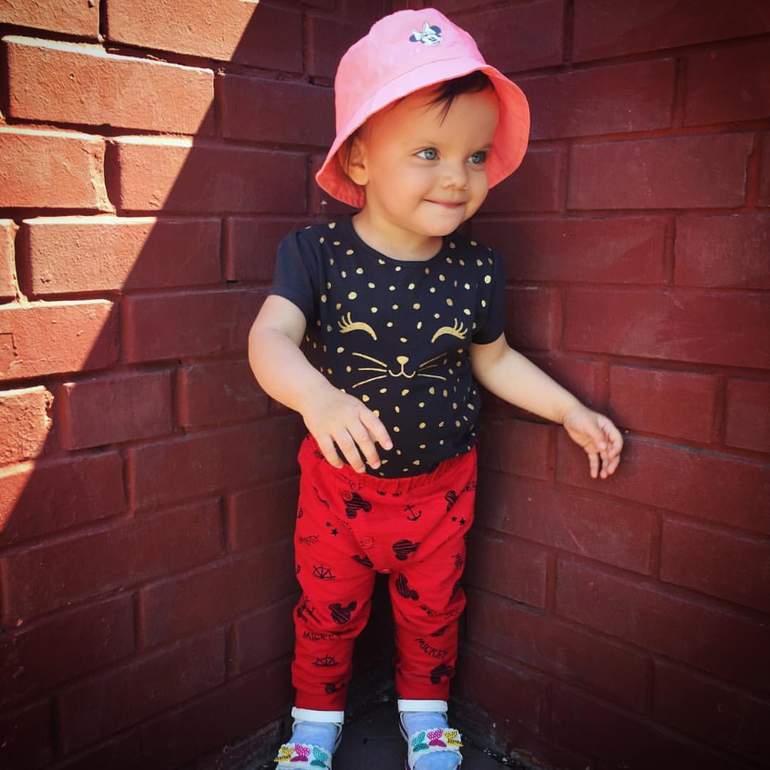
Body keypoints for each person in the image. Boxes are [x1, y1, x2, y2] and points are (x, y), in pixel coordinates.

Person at [248, 8, 623, 770]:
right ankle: (313, 725)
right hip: (340, 490)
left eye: (476, 155)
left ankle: (427, 719)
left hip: (443, 491)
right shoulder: (317, 254)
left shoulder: (476, 269)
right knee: (327, 611)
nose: (458, 176)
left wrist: (569, 408)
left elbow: (495, 360)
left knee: (433, 613)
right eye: (429, 152)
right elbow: (269, 338)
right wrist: (317, 397)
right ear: (358, 159)